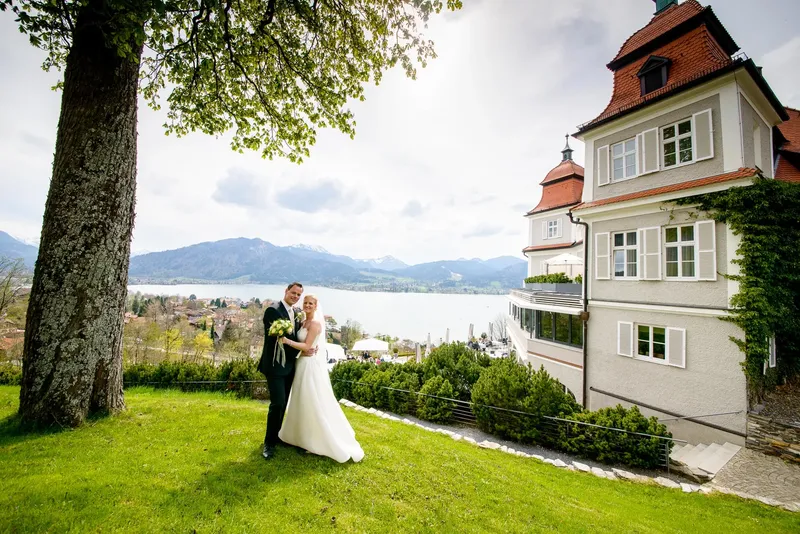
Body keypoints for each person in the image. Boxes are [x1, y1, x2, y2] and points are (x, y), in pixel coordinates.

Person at [279, 294, 364, 463]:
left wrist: (286, 341)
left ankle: (317, 439)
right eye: (305, 302)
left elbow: (307, 346)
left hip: (309, 366)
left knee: (310, 399)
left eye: (311, 303)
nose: (307, 305)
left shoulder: (316, 324)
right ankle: (298, 436)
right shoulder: (302, 322)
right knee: (300, 399)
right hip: (300, 364)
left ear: (316, 306)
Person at [258, 282, 306, 460]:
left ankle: (278, 436)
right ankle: (268, 443)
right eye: (293, 293)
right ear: (286, 291)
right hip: (275, 365)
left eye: (298, 295)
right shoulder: (273, 310)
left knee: (284, 403)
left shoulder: (295, 312)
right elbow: (279, 338)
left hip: (290, 366)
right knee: (277, 403)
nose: (295, 296)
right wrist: (304, 348)